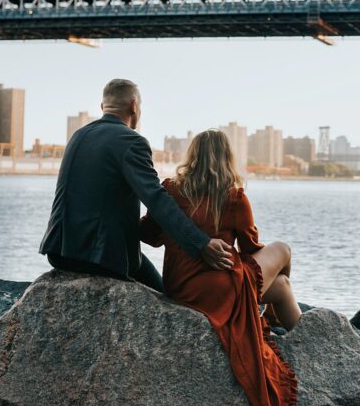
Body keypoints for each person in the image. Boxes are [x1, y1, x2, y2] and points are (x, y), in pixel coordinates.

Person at [139, 129, 299, 406]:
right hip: (221, 288)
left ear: (192, 157)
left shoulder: (170, 190)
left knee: (280, 286)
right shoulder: (234, 196)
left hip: (180, 287)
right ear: (227, 158)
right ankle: (293, 331)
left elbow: (149, 235)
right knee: (282, 251)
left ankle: (275, 318)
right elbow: (252, 247)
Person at [39, 79, 233, 290]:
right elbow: (157, 200)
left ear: (103, 107)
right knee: (166, 295)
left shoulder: (78, 136)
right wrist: (201, 244)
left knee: (144, 268)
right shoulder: (131, 141)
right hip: (99, 260)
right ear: (134, 106)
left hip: (58, 253)